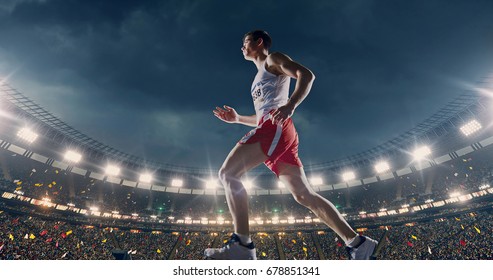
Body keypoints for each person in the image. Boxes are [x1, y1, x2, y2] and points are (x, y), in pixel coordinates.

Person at [204, 30, 377, 260]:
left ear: (258, 42)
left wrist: (291, 105)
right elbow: (264, 113)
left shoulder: (272, 59)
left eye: (245, 42)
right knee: (304, 195)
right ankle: (357, 243)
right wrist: (238, 119)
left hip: (276, 128)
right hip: (274, 127)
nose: (241, 47)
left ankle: (242, 245)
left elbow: (306, 75)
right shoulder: (258, 78)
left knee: (228, 173)